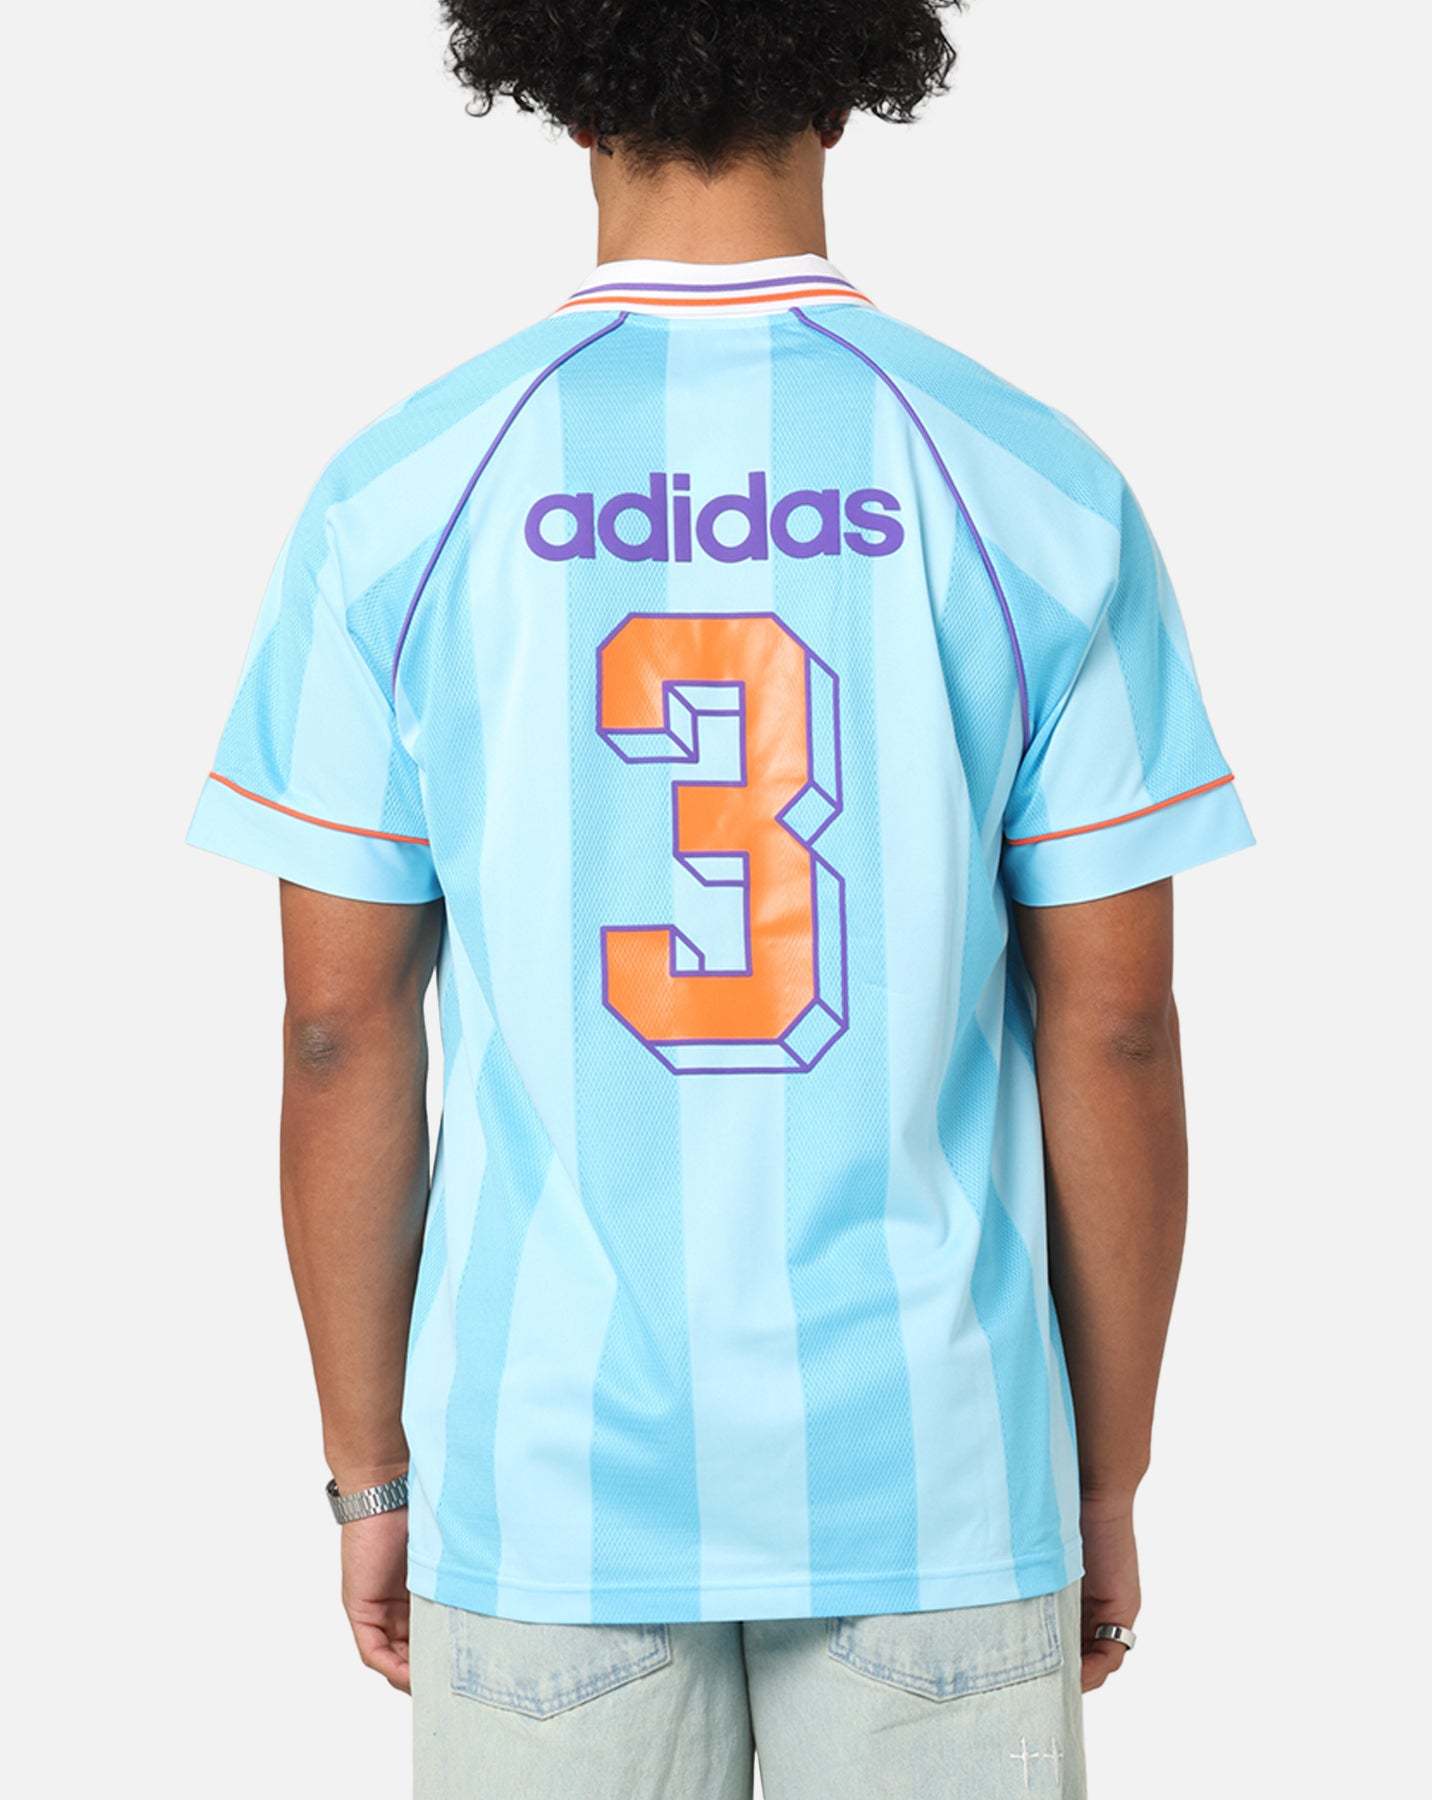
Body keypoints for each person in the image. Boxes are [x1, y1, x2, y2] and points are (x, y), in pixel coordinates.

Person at [187, 3, 1253, 1793]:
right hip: (939, 1467)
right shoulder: (1031, 484)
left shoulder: (403, 494)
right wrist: (1104, 1474)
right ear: (852, 78)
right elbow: (1121, 1025)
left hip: (546, 1479)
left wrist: (371, 1476)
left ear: (559, 84)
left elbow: (336, 1029)